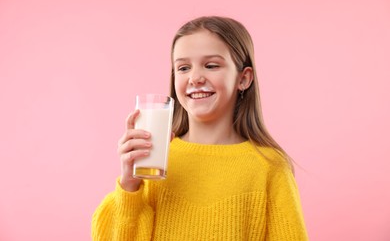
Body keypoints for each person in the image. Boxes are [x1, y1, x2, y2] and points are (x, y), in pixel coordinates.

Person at [92, 16, 308, 240]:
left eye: (211, 65)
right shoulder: (154, 161)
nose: (195, 78)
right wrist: (129, 183)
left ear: (243, 79)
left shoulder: (269, 167)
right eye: (183, 68)